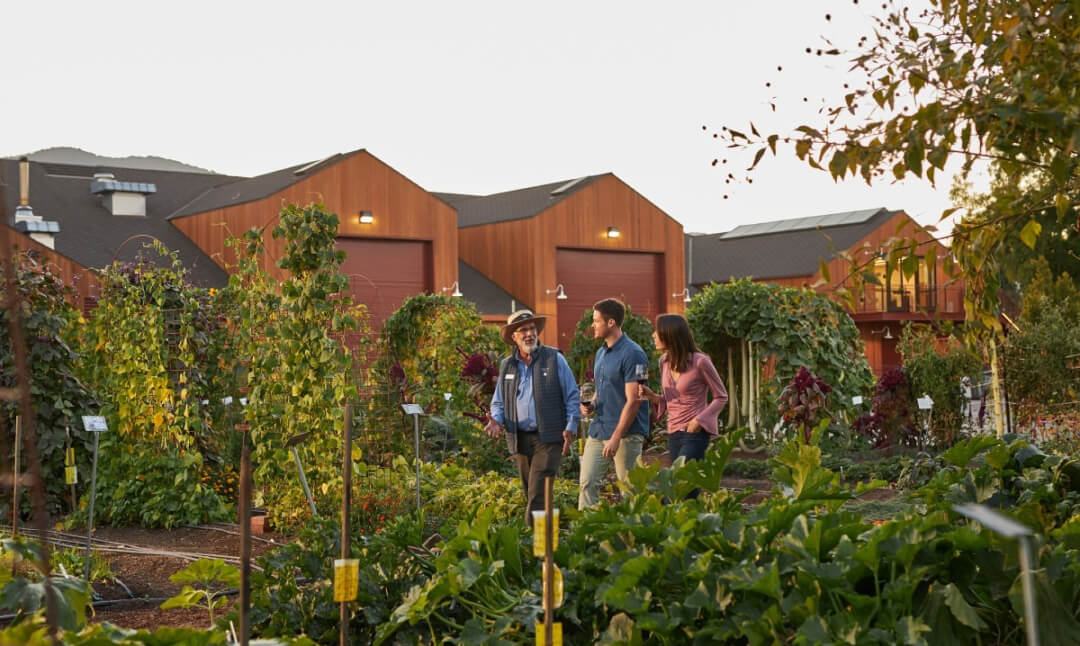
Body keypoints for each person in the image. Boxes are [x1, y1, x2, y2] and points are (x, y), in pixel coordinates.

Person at [485, 309, 580, 527]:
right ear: (514, 337)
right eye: (523, 330)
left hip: (548, 438)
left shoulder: (554, 358)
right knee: (535, 495)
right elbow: (499, 401)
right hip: (521, 440)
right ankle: (550, 547)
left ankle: (535, 551)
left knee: (537, 497)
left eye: (532, 329)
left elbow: (572, 394)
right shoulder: (507, 365)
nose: (530, 334)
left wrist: (570, 426)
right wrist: (496, 420)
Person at [578, 298, 650, 509]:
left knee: (629, 491)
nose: (593, 325)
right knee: (587, 483)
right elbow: (604, 388)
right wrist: (592, 403)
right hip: (600, 428)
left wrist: (616, 437)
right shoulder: (601, 352)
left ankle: (634, 537)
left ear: (611, 323)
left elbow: (635, 399)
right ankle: (587, 536)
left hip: (626, 434)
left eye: (596, 321)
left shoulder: (635, 354)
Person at [639, 314, 728, 473]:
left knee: (677, 480)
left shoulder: (700, 361)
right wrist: (652, 396)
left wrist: (698, 421)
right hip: (673, 432)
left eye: (657, 331)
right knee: (686, 489)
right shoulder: (664, 362)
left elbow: (721, 396)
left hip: (694, 432)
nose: (653, 334)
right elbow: (669, 399)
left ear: (670, 334)